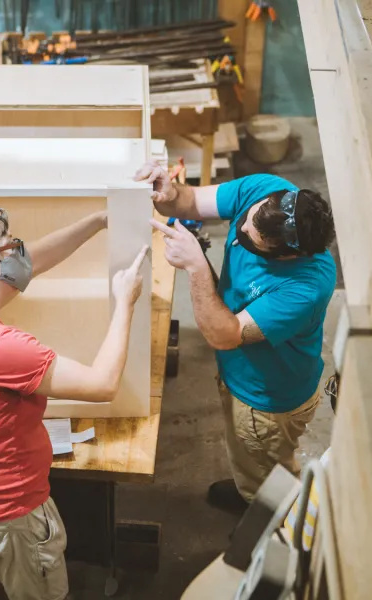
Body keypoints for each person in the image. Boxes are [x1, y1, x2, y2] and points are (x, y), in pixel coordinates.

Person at [0, 201, 148, 600]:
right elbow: (103, 383)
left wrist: (96, 221)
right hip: (6, 518)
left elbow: (34, 260)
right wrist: (124, 303)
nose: (21, 253)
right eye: (11, 246)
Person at [135, 162, 336, 508]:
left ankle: (265, 520)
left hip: (267, 402)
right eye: (244, 220)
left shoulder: (305, 286)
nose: (239, 227)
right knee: (251, 458)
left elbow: (223, 335)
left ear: (289, 255)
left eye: (248, 239)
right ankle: (250, 479)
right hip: (241, 375)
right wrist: (169, 194)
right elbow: (191, 200)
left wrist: (197, 267)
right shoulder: (266, 190)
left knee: (268, 473)